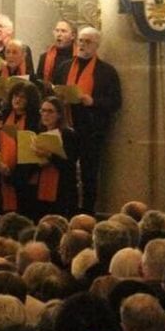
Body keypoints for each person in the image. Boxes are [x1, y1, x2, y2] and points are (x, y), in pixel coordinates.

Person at [55, 27, 121, 213]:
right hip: (66, 127)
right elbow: (53, 90)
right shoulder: (64, 66)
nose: (83, 45)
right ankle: (67, 211)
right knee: (65, 174)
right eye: (81, 41)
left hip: (91, 130)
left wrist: (92, 101)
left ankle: (87, 214)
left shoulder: (106, 71)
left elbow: (115, 102)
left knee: (89, 175)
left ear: (97, 45)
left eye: (87, 42)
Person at [33, 96, 80, 218]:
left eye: (50, 111)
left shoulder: (68, 134)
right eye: (43, 111)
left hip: (63, 189)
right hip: (42, 185)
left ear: (59, 114)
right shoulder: (39, 133)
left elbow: (70, 164)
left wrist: (50, 156)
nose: (45, 114)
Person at [38, 19, 76, 84]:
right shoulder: (44, 57)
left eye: (63, 31)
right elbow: (39, 82)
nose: (59, 34)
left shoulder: (79, 57)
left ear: (73, 36)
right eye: (57, 31)